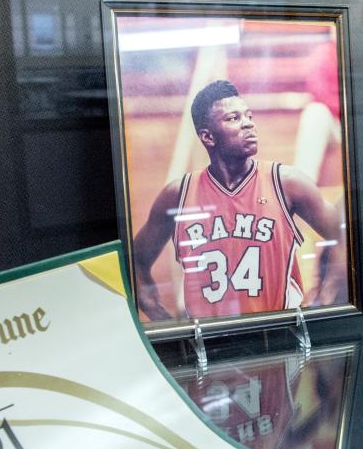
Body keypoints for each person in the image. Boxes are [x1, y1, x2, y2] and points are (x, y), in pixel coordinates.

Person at [132, 80, 348, 321]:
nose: (248, 123)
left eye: (248, 115)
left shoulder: (287, 183)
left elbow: (342, 236)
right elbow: (135, 262)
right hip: (210, 343)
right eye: (233, 118)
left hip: (279, 338)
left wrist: (323, 302)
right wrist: (163, 320)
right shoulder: (178, 195)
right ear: (208, 137)